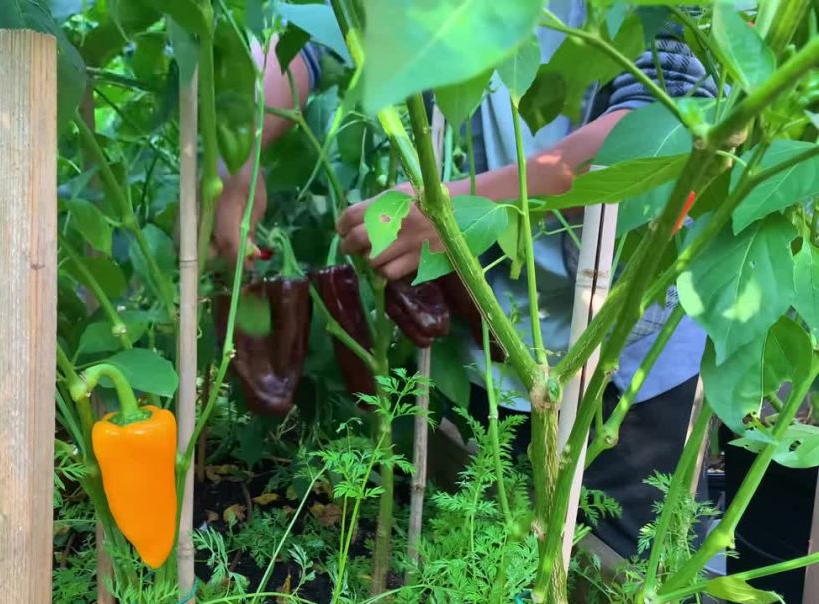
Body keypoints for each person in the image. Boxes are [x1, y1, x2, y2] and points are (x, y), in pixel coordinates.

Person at [211, 5, 717, 559]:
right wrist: (239, 150)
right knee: (485, 540)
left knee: (625, 562)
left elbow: (668, 126)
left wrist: (455, 210)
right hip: (488, 320)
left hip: (624, 343)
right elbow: (311, 30)